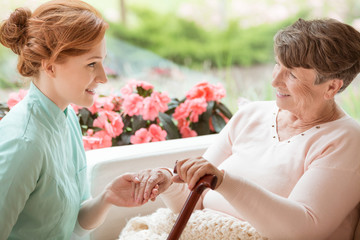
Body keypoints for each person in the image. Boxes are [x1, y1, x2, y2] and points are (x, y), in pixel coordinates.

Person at [131, 18, 360, 239]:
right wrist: (167, 183)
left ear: (331, 87)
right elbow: (195, 200)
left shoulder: (346, 140)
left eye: (291, 74)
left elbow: (302, 230)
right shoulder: (251, 115)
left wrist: (224, 182)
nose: (275, 81)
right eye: (277, 65)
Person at [0, 1, 156, 239]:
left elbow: (71, 224)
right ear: (50, 67)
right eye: (91, 64)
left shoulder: (66, 117)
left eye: (102, 62)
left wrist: (106, 198)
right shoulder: (25, 143)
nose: (103, 77)